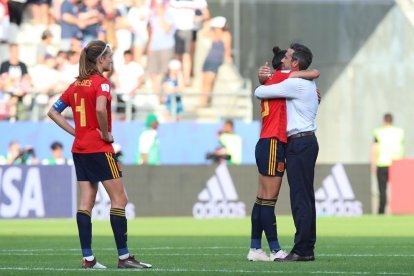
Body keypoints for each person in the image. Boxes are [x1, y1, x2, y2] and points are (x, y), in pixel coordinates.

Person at [47, 39, 152, 269]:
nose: (112, 60)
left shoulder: (75, 85)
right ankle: (124, 258)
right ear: (99, 59)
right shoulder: (102, 83)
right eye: (109, 56)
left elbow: (53, 112)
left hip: (80, 149)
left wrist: (77, 132)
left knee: (86, 203)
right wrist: (105, 133)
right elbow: (100, 108)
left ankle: (88, 258)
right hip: (99, 148)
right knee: (120, 199)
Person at [248, 46, 319, 262]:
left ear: (295, 63)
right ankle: (271, 248)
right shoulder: (294, 83)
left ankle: (300, 249)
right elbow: (313, 75)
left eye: (289, 57)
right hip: (288, 142)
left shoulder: (293, 83)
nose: (286, 59)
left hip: (296, 142)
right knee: (281, 198)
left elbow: (260, 91)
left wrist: (274, 77)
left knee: (291, 198)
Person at [371, 113, 404, 214]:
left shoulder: (378, 132)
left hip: (382, 163)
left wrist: (373, 164)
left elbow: (374, 148)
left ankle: (381, 212)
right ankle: (397, 210)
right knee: (397, 190)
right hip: (396, 164)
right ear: (392, 121)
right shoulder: (399, 132)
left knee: (382, 190)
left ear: (384, 121)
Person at [199, 16, 232, 107]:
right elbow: (202, 33)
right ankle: (202, 102)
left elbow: (227, 50)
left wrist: (227, 61)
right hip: (208, 60)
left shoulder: (226, 35)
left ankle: (204, 103)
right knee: (204, 82)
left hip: (215, 62)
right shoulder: (213, 33)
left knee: (208, 82)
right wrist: (208, 25)